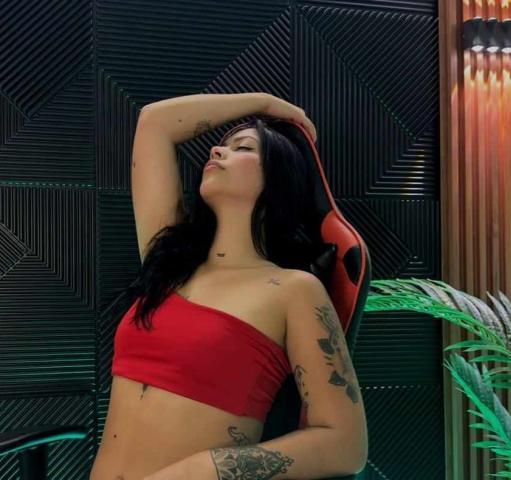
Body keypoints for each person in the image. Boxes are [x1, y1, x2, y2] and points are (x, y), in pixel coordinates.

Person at [90, 93, 367, 479]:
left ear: (278, 179)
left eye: (244, 148)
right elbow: (155, 123)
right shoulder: (170, 264)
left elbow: (346, 445)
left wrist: (205, 468)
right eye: (224, 144)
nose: (217, 150)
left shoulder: (292, 290)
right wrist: (266, 104)